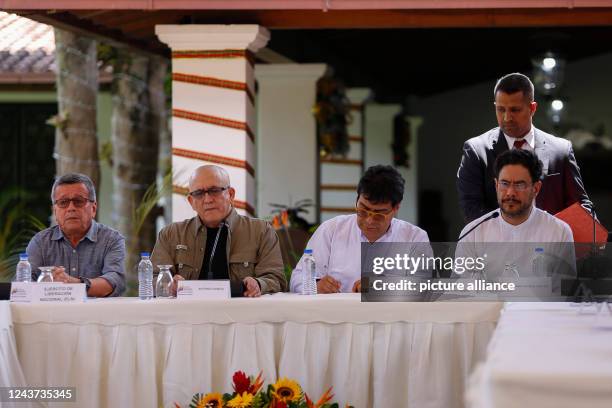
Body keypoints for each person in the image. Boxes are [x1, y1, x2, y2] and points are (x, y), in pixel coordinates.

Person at [457, 72, 592, 223]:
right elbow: (471, 209)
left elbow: (580, 205)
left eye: (515, 110)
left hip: (552, 243)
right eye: (501, 109)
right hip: (499, 245)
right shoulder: (476, 150)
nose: (507, 118)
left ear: (532, 108)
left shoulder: (560, 150)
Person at [290, 165, 432, 294]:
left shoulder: (414, 238)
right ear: (357, 199)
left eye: (379, 215)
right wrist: (316, 286)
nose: (369, 220)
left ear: (396, 208)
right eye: (363, 210)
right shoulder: (332, 230)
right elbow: (297, 279)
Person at [151, 165, 286, 297]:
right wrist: (169, 285)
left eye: (214, 190)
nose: (208, 199)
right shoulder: (171, 234)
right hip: (187, 315)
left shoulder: (261, 231)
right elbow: (152, 278)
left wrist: (258, 284)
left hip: (243, 315)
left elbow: (276, 279)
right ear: (191, 201)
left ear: (231, 194)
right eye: (199, 194)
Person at [456, 149, 575, 291]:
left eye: (519, 185)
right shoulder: (473, 232)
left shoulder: (559, 232)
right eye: (504, 184)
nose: (510, 192)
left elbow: (565, 291)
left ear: (536, 188)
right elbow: (462, 289)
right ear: (496, 185)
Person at [26, 173, 126, 296]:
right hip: (51, 313)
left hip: (97, 314)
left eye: (78, 201)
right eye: (63, 202)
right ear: (55, 211)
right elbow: (23, 284)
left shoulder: (112, 240)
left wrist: (74, 284)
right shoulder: (40, 242)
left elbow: (115, 281)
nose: (71, 208)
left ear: (93, 209)